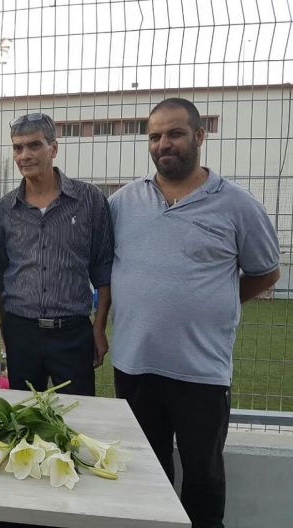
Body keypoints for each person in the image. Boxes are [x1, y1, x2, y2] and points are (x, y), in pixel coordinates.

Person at [110, 98, 280, 528]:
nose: (163, 144)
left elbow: (266, 271)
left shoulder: (236, 204)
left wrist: (216, 301)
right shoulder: (123, 202)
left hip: (200, 372)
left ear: (200, 136)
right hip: (135, 366)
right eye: (155, 136)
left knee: (203, 479)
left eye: (175, 133)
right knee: (145, 476)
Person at [0, 112, 113, 396]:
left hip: (72, 333)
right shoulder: (5, 209)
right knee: (23, 413)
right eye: (18, 147)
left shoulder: (89, 200)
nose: (25, 155)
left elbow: (104, 268)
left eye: (34, 145)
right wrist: (6, 329)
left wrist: (98, 328)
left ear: (53, 148)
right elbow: (0, 274)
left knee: (76, 412)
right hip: (21, 331)